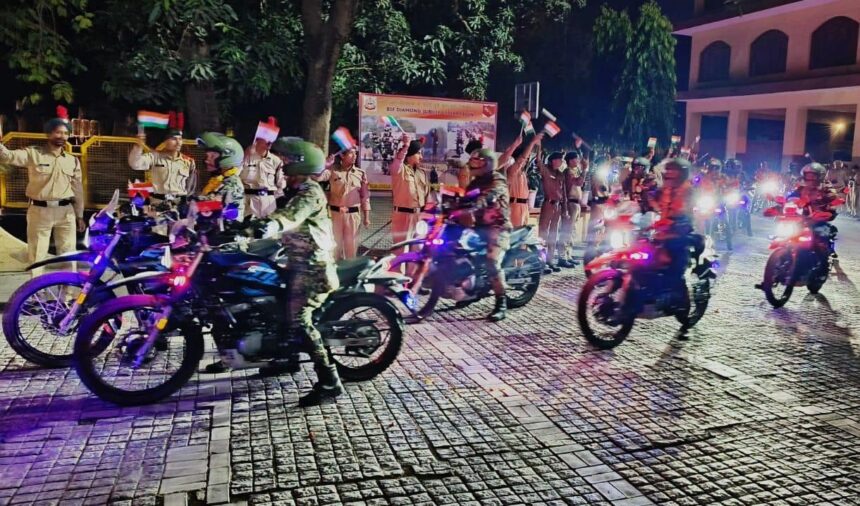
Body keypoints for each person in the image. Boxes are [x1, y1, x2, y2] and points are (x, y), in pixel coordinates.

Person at [0, 107, 85, 277]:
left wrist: (80, 215)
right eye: (58, 132)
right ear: (49, 134)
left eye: (65, 133)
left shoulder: (72, 161)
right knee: (37, 255)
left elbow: (78, 189)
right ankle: (35, 290)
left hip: (66, 212)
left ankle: (68, 290)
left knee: (69, 254)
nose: (62, 136)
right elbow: (8, 157)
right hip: (40, 211)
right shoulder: (34, 154)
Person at [463, 148, 511, 321]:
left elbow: (492, 194)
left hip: (497, 228)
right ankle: (472, 290)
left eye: (477, 162)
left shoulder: (497, 179)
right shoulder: (474, 183)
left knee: (491, 261)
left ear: (488, 164)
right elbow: (464, 198)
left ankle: (501, 302)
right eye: (473, 161)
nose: (473, 165)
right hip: (479, 227)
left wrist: (480, 202)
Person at [648, 158, 695, 293]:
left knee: (675, 265)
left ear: (682, 173)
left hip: (679, 232)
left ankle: (679, 293)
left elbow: (688, 212)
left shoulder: (688, 191)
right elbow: (653, 201)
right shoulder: (664, 189)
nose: (669, 173)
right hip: (661, 230)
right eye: (668, 170)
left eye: (673, 170)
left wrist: (677, 223)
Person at [317, 146, 371, 260]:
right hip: (335, 215)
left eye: (355, 153)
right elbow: (317, 177)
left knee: (351, 249)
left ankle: (350, 269)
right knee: (334, 248)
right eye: (351, 153)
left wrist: (366, 217)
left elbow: (365, 196)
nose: (354, 156)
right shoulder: (332, 171)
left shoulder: (360, 173)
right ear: (342, 155)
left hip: (353, 216)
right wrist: (325, 165)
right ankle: (334, 269)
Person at [128, 122, 196, 204]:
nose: (178, 142)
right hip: (158, 204)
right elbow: (135, 164)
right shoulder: (155, 157)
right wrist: (138, 146)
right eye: (174, 139)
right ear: (165, 142)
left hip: (179, 204)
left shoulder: (188, 162)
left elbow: (191, 186)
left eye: (180, 139)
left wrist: (187, 202)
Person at [788, 163, 840, 257]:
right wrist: (786, 202)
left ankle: (825, 253)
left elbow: (832, 195)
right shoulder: (801, 187)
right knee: (790, 231)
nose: (810, 178)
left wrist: (825, 200)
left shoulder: (825, 186)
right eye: (808, 175)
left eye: (813, 176)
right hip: (804, 216)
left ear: (819, 177)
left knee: (822, 234)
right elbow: (792, 196)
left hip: (819, 216)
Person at [390, 134, 430, 254]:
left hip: (419, 217)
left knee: (418, 252)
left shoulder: (422, 173)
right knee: (401, 252)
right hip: (403, 217)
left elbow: (427, 197)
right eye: (418, 153)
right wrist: (406, 146)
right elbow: (398, 161)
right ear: (410, 154)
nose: (421, 157)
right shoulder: (399, 170)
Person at [196, 132, 245, 219]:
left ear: (228, 157)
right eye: (207, 156)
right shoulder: (220, 179)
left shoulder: (232, 184)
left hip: (226, 227)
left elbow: (213, 206)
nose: (206, 160)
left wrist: (191, 206)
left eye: (212, 156)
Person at [536, 146, 566, 272]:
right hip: (548, 204)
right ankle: (541, 262)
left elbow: (563, 193)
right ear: (553, 160)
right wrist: (539, 146)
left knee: (553, 235)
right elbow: (538, 161)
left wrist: (565, 209)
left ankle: (550, 260)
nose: (561, 162)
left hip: (558, 206)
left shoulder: (560, 174)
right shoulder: (546, 170)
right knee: (543, 233)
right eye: (559, 159)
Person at [241, 136, 285, 219]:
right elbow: (236, 175)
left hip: (268, 201)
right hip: (248, 200)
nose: (268, 144)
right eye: (257, 142)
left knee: (267, 225)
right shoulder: (246, 157)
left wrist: (275, 198)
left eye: (269, 142)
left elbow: (280, 183)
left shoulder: (276, 161)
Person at [507, 133, 543, 228]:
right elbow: (521, 160)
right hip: (514, 206)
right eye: (526, 158)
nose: (527, 160)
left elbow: (535, 160)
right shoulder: (512, 170)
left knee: (522, 233)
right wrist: (532, 143)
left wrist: (538, 146)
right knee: (515, 233)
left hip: (524, 207)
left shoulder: (523, 173)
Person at [558, 150, 585, 268]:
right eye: (576, 158)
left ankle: (568, 255)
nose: (578, 161)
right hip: (570, 203)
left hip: (576, 203)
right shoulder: (568, 172)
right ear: (570, 160)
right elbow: (578, 183)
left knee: (572, 231)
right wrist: (585, 170)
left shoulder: (574, 170)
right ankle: (562, 257)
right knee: (566, 231)